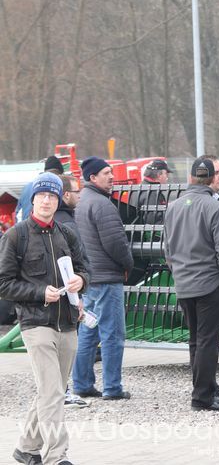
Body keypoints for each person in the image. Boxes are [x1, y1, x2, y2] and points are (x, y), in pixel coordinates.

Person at [0, 172, 89, 465]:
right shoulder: (16, 235)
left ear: (58, 199)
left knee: (51, 391)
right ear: (33, 199)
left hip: (67, 324)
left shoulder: (68, 234)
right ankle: (56, 457)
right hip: (35, 324)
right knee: (53, 392)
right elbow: (4, 284)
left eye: (52, 196)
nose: (47, 201)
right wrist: (40, 292)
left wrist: (81, 280)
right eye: (42, 196)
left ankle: (26, 449)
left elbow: (85, 269)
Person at [163, 156, 219, 412]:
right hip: (210, 284)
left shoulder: (173, 207)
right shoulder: (217, 209)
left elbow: (168, 249)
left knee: (196, 341)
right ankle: (202, 397)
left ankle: (205, 389)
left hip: (184, 283)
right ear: (209, 178)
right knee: (208, 342)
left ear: (192, 178)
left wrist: (179, 273)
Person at [71, 156, 134, 401]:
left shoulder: (82, 202)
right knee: (113, 334)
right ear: (92, 178)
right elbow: (115, 243)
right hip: (107, 277)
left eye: (111, 172)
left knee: (88, 330)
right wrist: (128, 264)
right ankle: (112, 387)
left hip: (89, 278)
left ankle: (82, 383)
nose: (112, 176)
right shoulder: (103, 204)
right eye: (106, 173)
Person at [55, 174, 91, 410]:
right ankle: (62, 392)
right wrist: (76, 298)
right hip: (63, 296)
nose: (80, 194)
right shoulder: (66, 225)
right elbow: (73, 264)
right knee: (65, 348)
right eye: (76, 191)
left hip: (56, 295)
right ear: (65, 195)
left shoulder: (60, 221)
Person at [15, 155, 64, 224]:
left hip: (24, 229)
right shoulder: (56, 188)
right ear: (59, 174)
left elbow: (18, 213)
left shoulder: (27, 187)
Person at [132, 159, 173, 224]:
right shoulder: (153, 193)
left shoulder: (138, 188)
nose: (167, 178)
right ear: (159, 175)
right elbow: (154, 222)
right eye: (166, 174)